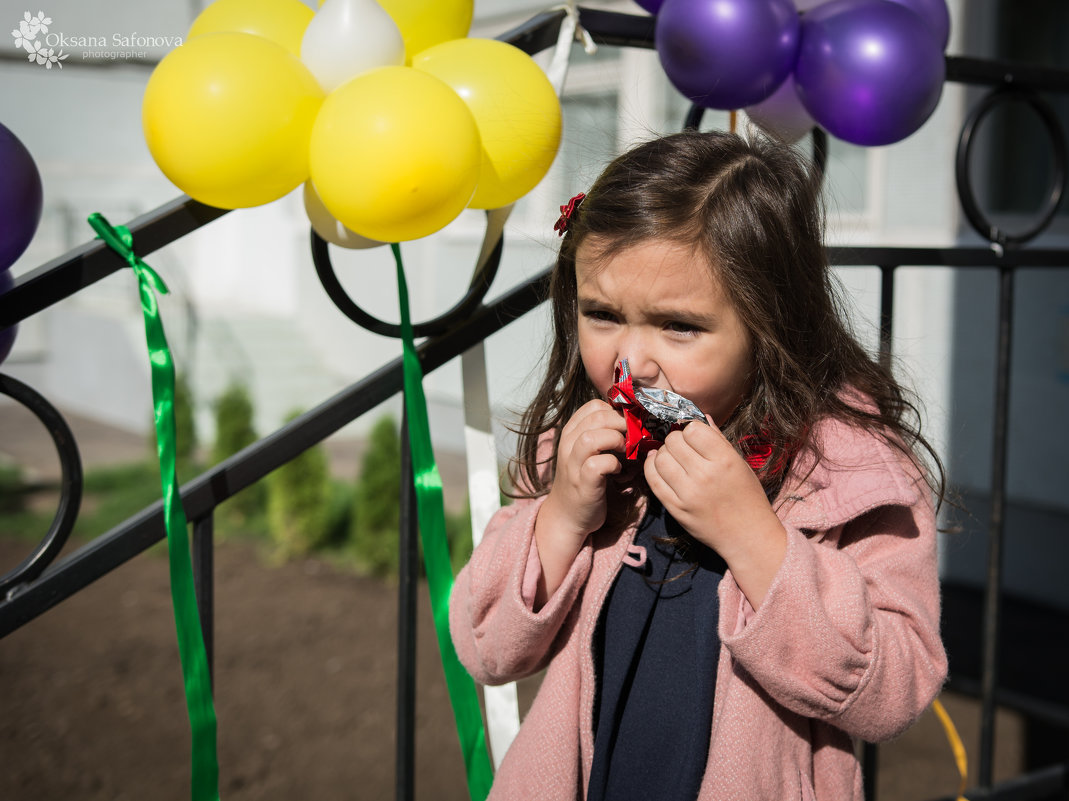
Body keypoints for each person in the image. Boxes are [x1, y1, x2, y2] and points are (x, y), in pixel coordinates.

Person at [449, 130, 948, 801]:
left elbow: (892, 692)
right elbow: (486, 647)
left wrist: (753, 536)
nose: (633, 362)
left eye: (678, 325)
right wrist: (560, 518)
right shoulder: (574, 453)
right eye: (600, 314)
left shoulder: (848, 474)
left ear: (770, 321)